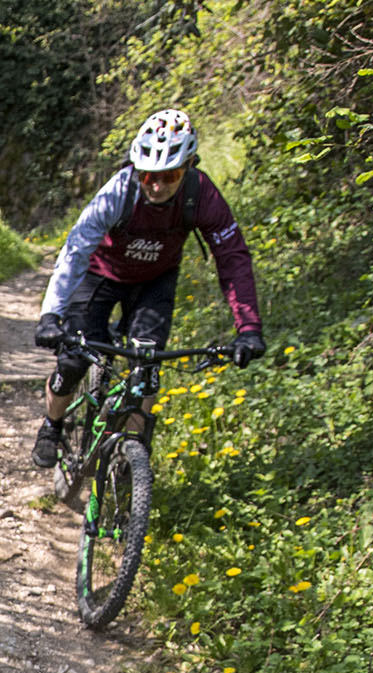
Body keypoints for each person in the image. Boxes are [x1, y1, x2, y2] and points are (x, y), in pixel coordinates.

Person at [31, 108, 267, 469]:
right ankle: (52, 424)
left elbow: (232, 258)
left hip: (155, 282)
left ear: (188, 167)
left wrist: (248, 328)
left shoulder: (202, 195)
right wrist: (51, 315)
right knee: (74, 358)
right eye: (147, 176)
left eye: (169, 176)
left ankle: (130, 459)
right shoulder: (119, 191)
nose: (156, 186)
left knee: (147, 367)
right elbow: (75, 250)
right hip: (100, 275)